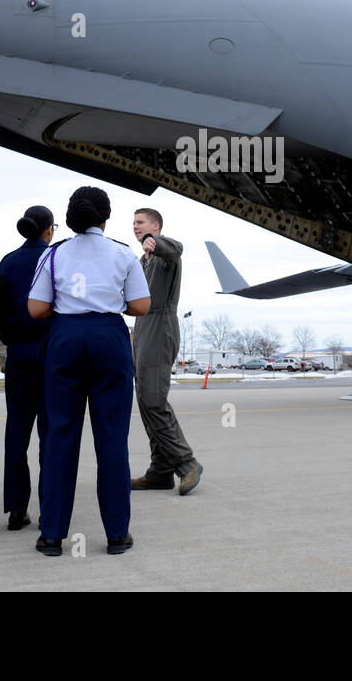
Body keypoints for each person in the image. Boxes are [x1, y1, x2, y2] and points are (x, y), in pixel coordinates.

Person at [28, 186, 149, 556]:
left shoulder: (54, 253)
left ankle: (51, 535)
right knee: (111, 439)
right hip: (108, 338)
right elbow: (141, 305)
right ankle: (116, 534)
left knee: (60, 436)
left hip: (65, 339)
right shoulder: (122, 253)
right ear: (105, 217)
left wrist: (66, 310)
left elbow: (35, 308)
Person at [130, 208, 203, 495]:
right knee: (145, 401)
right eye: (133, 223)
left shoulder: (163, 252)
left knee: (153, 400)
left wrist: (154, 242)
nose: (135, 227)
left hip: (161, 326)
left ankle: (186, 464)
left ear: (156, 226)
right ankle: (160, 471)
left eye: (141, 223)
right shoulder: (143, 260)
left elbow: (176, 249)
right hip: (142, 327)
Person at [0, 206, 55, 531]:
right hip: (50, 356)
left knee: (16, 434)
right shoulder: (56, 258)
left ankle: (16, 508)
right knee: (51, 435)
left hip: (17, 355)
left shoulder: (8, 261)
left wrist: (12, 340)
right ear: (48, 230)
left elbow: (0, 310)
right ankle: (50, 507)